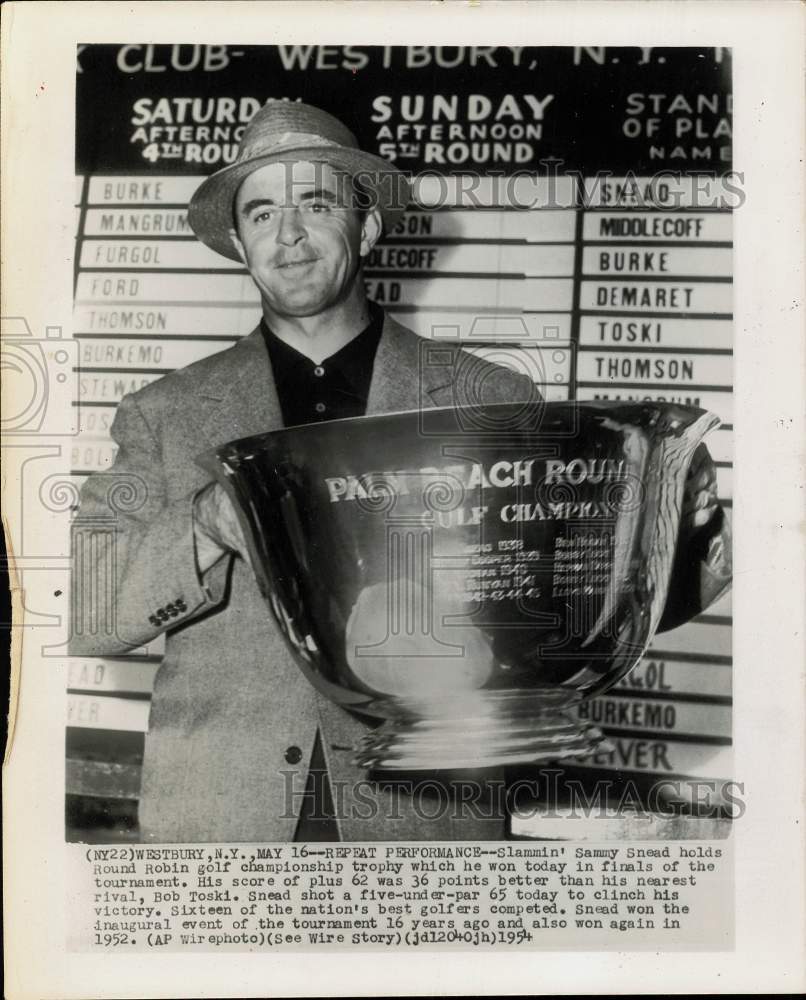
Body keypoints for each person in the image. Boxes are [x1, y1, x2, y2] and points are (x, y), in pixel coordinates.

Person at [70, 100, 731, 843]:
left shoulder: (490, 396)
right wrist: (205, 524)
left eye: (315, 204)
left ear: (368, 227)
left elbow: (574, 607)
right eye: (260, 214)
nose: (287, 234)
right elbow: (87, 609)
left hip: (428, 817)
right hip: (223, 814)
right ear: (239, 243)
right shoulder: (166, 413)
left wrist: (683, 532)